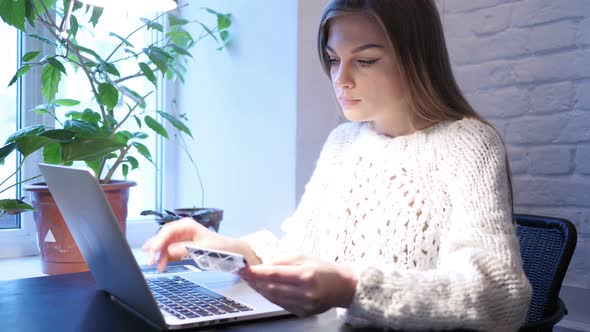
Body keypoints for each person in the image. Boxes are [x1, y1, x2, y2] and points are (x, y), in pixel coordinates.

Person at [143, 0, 533, 330]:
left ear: (417, 59)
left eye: (365, 60)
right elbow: (300, 250)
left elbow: (499, 296)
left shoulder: (469, 144)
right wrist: (225, 249)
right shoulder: (343, 142)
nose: (341, 79)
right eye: (333, 59)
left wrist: (353, 288)